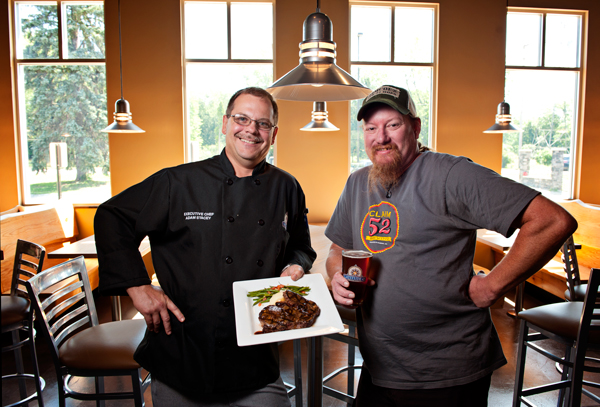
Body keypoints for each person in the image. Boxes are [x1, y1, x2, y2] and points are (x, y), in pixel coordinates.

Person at [325, 85, 577, 407]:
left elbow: (552, 221)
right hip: (379, 367)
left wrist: (492, 286)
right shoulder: (358, 182)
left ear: (415, 127)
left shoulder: (450, 175)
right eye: (371, 128)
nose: (381, 137)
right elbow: (337, 249)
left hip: (447, 373)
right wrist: (336, 275)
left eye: (393, 125)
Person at [95, 87, 316, 406]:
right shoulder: (178, 182)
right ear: (225, 123)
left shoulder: (287, 187)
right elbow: (113, 216)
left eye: (263, 123)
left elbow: (301, 246)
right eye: (242, 118)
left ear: (274, 133)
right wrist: (137, 286)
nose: (251, 129)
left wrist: (295, 265)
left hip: (255, 359)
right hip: (182, 352)